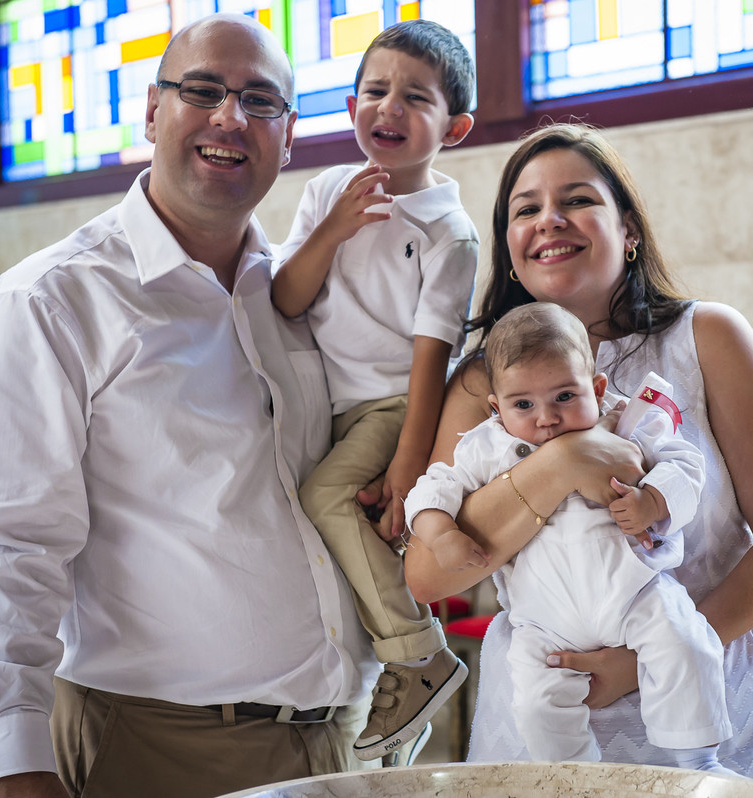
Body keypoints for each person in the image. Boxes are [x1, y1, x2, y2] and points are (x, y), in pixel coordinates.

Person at [0, 15, 384, 798]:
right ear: (152, 112)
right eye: (204, 90)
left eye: (260, 100)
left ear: (289, 137)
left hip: (343, 740)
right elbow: (11, 546)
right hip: (158, 746)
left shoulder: (309, 295)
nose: (229, 118)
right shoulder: (52, 302)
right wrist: (15, 762)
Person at [402, 123, 753, 795]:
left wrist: (648, 657)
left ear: (628, 231)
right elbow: (429, 576)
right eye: (526, 208)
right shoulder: (481, 384)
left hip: (712, 688)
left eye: (576, 199)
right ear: (511, 255)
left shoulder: (707, 338)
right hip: (543, 710)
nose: (550, 219)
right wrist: (557, 465)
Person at [405, 302, 735, 770]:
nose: (546, 418)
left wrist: (652, 502)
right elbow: (431, 489)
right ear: (496, 408)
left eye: (564, 396)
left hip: (634, 594)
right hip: (544, 619)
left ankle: (696, 760)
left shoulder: (627, 420)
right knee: (536, 704)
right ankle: (573, 777)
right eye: (523, 404)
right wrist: (440, 534)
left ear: (596, 388)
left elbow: (686, 465)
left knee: (686, 641)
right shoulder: (487, 447)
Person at [270, 19, 476, 760]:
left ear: (453, 127)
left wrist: (409, 463)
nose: (387, 108)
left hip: (397, 406)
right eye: (374, 90)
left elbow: (432, 359)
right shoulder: (329, 188)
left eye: (414, 98)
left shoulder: (450, 232)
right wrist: (332, 229)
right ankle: (393, 682)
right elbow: (287, 300)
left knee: (327, 498)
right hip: (331, 407)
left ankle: (418, 654)